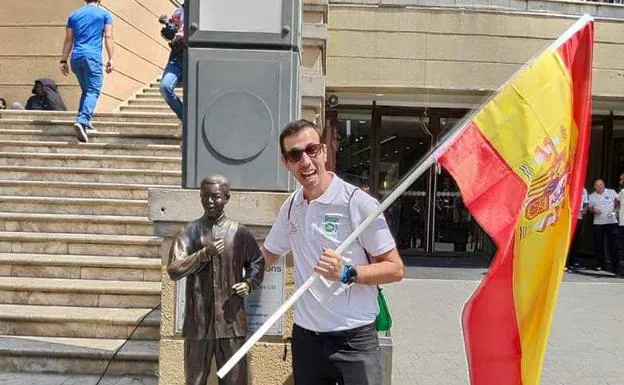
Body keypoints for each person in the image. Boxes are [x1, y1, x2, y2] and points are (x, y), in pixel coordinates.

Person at [262, 119, 404, 385]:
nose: (305, 161)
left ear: (324, 152)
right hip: (306, 341)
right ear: (286, 162)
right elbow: (268, 255)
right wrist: (238, 273)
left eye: (311, 149)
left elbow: (395, 268)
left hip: (354, 341)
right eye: (295, 155)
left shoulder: (357, 203)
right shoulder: (292, 206)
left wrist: (348, 272)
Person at [167, 174, 265, 385]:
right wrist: (203, 254)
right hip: (198, 324)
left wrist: (249, 283)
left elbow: (257, 262)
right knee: (194, 381)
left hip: (231, 323)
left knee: (235, 381)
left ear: (227, 198)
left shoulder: (239, 232)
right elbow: (174, 269)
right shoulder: (189, 232)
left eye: (216, 197)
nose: (210, 202)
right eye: (205, 197)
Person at [60, 0, 114, 143]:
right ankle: (82, 121)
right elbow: (108, 36)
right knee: (93, 90)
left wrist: (63, 60)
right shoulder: (105, 14)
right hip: (92, 58)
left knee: (86, 90)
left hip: (76, 58)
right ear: (99, 0)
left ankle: (85, 120)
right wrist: (110, 58)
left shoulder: (74, 15)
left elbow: (68, 40)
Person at [159, 5, 185, 120]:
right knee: (165, 87)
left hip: (197, 56)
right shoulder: (178, 11)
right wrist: (168, 33)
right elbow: (172, 33)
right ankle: (186, 118)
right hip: (178, 56)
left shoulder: (202, 10)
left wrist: (185, 35)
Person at [588, 179, 619, 274]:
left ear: (604, 184)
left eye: (601, 184)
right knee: (599, 245)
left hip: (611, 222)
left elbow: (618, 204)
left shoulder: (611, 192)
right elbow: (589, 209)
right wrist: (593, 210)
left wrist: (615, 212)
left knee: (612, 245)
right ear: (594, 186)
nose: (600, 187)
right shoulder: (591, 196)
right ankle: (601, 265)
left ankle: (615, 266)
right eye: (597, 185)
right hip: (598, 223)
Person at [566, 187, 588, 271]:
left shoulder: (584, 190)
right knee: (567, 240)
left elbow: (585, 203)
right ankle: (564, 262)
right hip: (568, 218)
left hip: (578, 218)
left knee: (576, 241)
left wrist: (584, 210)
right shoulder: (569, 185)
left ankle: (572, 262)